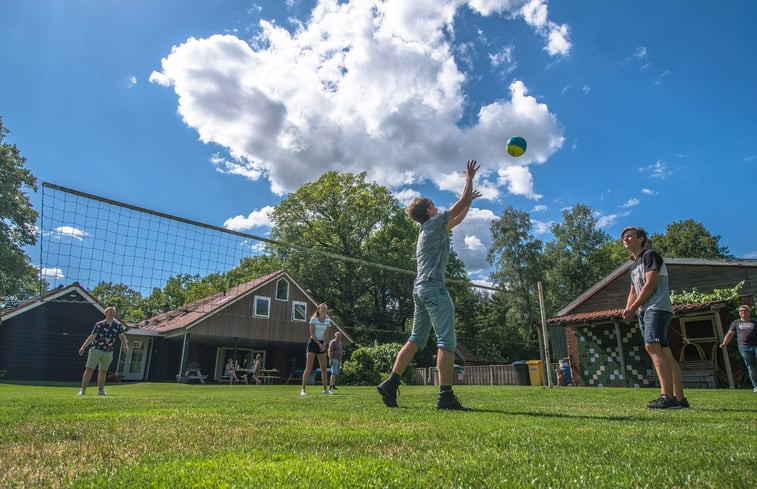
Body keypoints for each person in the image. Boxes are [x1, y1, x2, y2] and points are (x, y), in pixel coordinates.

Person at [377, 160, 481, 410]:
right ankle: (445, 396)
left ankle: (391, 382)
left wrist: (469, 202)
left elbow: (456, 217)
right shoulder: (434, 224)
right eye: (433, 205)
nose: (437, 207)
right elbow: (458, 205)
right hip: (434, 288)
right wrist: (468, 178)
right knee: (446, 342)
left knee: (415, 339)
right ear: (429, 212)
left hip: (420, 290)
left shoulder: (430, 229)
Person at [621, 226, 688, 409]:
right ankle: (680, 399)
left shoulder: (650, 255)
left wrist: (634, 307)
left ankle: (667, 397)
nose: (625, 239)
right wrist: (629, 308)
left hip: (657, 307)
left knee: (652, 346)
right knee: (664, 351)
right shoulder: (634, 264)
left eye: (629, 236)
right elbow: (633, 289)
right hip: (645, 310)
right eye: (623, 237)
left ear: (641, 238)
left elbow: (650, 284)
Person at [77, 306, 129, 396]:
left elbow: (122, 336)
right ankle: (83, 390)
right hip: (96, 349)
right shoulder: (99, 324)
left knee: (103, 371)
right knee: (89, 369)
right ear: (106, 313)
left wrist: (125, 346)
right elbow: (92, 336)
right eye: (110, 312)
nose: (112, 314)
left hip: (108, 351)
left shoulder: (118, 326)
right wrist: (83, 347)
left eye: (113, 312)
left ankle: (101, 390)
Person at [720, 304, 757, 392]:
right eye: (741, 311)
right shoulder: (736, 323)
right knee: (751, 367)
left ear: (749, 312)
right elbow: (730, 334)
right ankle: (756, 386)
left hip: (756, 346)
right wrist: (724, 343)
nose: (743, 312)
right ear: (739, 313)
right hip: (744, 348)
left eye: (745, 310)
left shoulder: (754, 322)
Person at [301, 303, 333, 395]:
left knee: (324, 368)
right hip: (313, 343)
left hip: (322, 344)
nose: (323, 309)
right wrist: (319, 344)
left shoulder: (328, 321)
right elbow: (312, 334)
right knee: (309, 367)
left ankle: (325, 390)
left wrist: (324, 344)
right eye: (322, 308)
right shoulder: (313, 319)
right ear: (318, 310)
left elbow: (326, 334)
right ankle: (303, 390)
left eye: (325, 308)